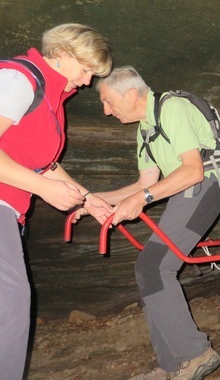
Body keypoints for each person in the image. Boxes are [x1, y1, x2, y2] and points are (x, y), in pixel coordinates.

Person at [92, 66, 220, 380]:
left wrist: (144, 198)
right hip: (185, 191)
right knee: (147, 269)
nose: (106, 111)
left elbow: (193, 171)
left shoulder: (172, 108)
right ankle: (170, 366)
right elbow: (143, 184)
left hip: (207, 186)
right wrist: (94, 198)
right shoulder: (145, 129)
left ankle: (197, 353)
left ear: (132, 94)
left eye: (109, 102)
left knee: (154, 267)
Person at [0, 23, 114, 380]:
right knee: (11, 299)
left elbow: (44, 164)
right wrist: (41, 187)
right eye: (86, 71)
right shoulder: (20, 81)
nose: (87, 82)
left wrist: (88, 198)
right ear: (62, 56)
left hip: (10, 211)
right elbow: (40, 177)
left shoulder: (52, 100)